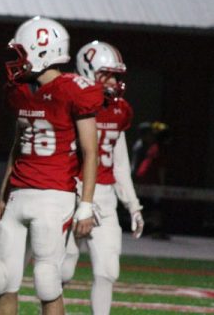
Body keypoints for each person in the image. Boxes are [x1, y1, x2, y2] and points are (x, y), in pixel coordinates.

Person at [0, 16, 102, 315]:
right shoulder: (20, 90)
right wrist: (4, 193)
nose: (17, 61)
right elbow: (18, 146)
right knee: (2, 279)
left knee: (47, 280)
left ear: (42, 52)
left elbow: (91, 152)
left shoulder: (75, 90)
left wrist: (87, 204)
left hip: (55, 195)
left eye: (21, 53)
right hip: (19, 194)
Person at [60, 41, 144, 315]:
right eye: (106, 74)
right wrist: (78, 197)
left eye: (116, 75)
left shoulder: (121, 110)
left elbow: (119, 163)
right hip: (74, 192)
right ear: (88, 70)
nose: (113, 81)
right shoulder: (71, 103)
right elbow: (63, 157)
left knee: (108, 272)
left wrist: (133, 205)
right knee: (63, 271)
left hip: (106, 199)